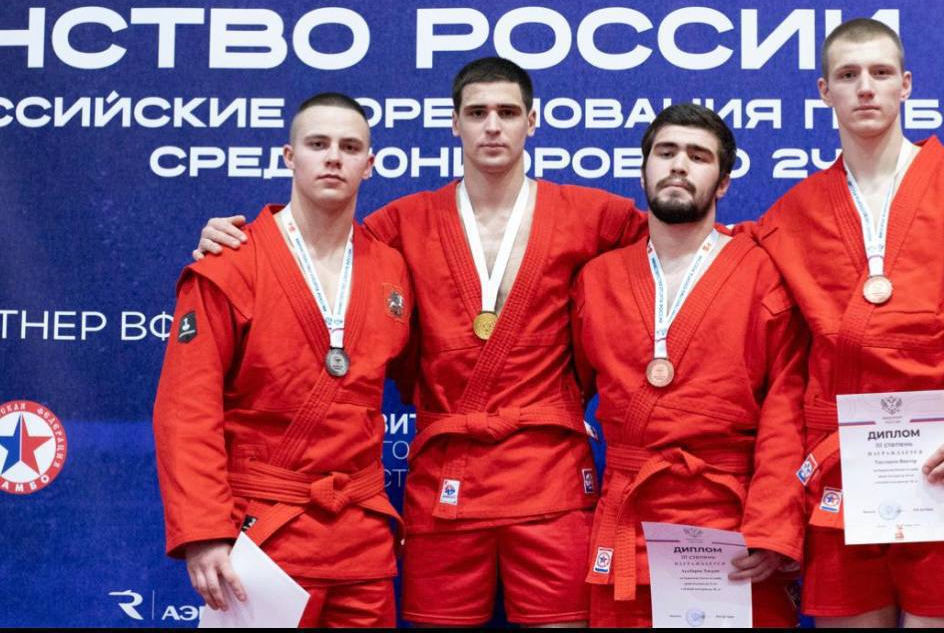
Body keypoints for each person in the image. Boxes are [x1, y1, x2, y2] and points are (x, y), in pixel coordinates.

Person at [193, 58, 646, 627]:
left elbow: (681, 242)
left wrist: (748, 244)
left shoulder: (594, 214)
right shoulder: (400, 225)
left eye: (508, 112)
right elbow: (320, 251)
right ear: (453, 122)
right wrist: (240, 242)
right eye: (476, 113)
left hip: (549, 472)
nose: (492, 126)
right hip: (446, 475)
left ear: (532, 121)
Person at [755, 19, 944, 627]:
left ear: (906, 84)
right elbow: (774, 355)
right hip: (841, 466)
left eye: (879, 73)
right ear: (824, 91)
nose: (864, 87)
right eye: (848, 74)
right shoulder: (791, 216)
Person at [154, 92, 413, 627]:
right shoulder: (230, 263)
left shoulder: (391, 269)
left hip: (360, 538)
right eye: (318, 144)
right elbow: (187, 410)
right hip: (261, 535)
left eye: (350, 147)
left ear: (370, 164)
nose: (333, 157)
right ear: (290, 157)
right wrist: (204, 532)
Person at [571, 104, 808, 627]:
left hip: (732, 524)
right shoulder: (597, 278)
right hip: (630, 517)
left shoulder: (762, 272)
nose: (679, 165)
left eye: (698, 157)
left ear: (722, 183)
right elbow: (563, 394)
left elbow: (787, 409)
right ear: (643, 171)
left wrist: (772, 528)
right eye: (666, 152)